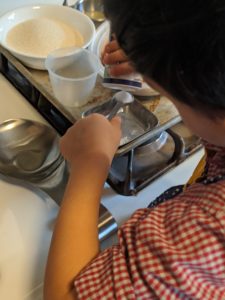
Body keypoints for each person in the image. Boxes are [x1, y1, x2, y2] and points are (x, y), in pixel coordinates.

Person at [44, 0, 225, 299]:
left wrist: (91, 162)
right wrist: (156, 55)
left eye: (170, 93)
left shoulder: (208, 229)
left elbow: (62, 295)